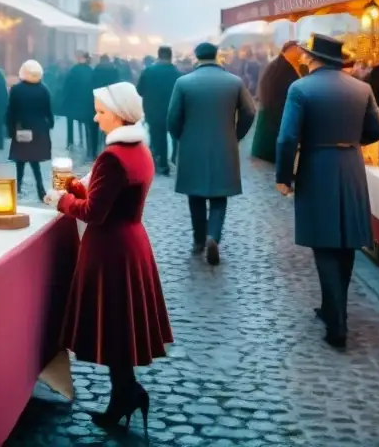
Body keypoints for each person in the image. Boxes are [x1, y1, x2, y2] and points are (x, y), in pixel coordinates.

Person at [44, 81, 172, 433]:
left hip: (110, 249)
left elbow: (94, 213)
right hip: (131, 242)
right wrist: (81, 188)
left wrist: (60, 200)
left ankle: (126, 393)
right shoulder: (139, 151)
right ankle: (125, 393)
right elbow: (113, 198)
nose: (96, 118)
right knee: (120, 325)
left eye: (101, 112)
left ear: (117, 115)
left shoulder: (112, 157)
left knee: (114, 324)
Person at [275, 34, 379, 350]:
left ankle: (337, 322)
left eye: (307, 55)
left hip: (316, 163)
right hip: (350, 164)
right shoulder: (362, 88)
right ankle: (332, 308)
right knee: (346, 241)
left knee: (323, 242)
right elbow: (376, 131)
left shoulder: (300, 88)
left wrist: (284, 176)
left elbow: (286, 138)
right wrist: (349, 142)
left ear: (312, 58)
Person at [167, 42, 256, 265]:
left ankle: (198, 240)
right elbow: (250, 111)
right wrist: (236, 135)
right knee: (219, 195)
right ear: (216, 56)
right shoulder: (234, 82)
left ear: (196, 57)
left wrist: (181, 137)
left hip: (192, 145)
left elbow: (172, 118)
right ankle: (213, 236)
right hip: (224, 144)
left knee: (195, 194)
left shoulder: (183, 83)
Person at [6, 60, 55, 197]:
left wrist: (11, 130)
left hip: (22, 129)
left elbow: (11, 112)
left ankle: (18, 187)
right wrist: (50, 124)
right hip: (39, 130)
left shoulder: (16, 90)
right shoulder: (44, 89)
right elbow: (48, 111)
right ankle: (40, 189)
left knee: (20, 160)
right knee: (35, 160)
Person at [250, 41, 301, 163]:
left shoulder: (292, 65)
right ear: (289, 50)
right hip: (275, 111)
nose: (300, 52)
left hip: (279, 110)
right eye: (298, 49)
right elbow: (268, 89)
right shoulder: (277, 66)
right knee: (272, 143)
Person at [137, 46, 181, 175]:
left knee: (157, 136)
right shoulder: (176, 73)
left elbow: (139, 90)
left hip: (152, 109)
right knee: (173, 136)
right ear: (170, 56)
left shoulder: (148, 71)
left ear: (158, 55)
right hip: (172, 109)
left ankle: (159, 162)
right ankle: (170, 159)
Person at [63, 52, 95, 155]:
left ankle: (70, 142)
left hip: (74, 102)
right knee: (88, 124)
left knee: (70, 121)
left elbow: (67, 86)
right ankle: (89, 145)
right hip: (87, 102)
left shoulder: (73, 70)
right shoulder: (90, 70)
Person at [92, 55, 120, 153]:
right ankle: (110, 145)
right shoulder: (113, 69)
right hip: (111, 98)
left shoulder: (96, 69)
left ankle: (94, 150)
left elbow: (93, 82)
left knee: (96, 124)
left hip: (99, 97)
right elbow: (117, 82)